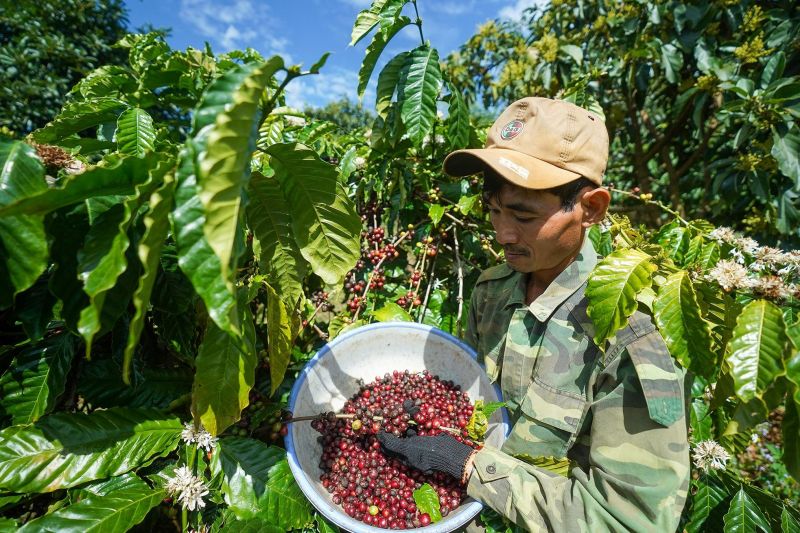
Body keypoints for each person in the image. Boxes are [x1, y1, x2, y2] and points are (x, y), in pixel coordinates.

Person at [378, 97, 690, 532]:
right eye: (493, 209)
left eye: (524, 215)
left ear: (592, 208)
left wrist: (468, 467)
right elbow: (468, 404)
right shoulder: (492, 291)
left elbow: (629, 521)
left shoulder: (630, 338)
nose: (502, 233)